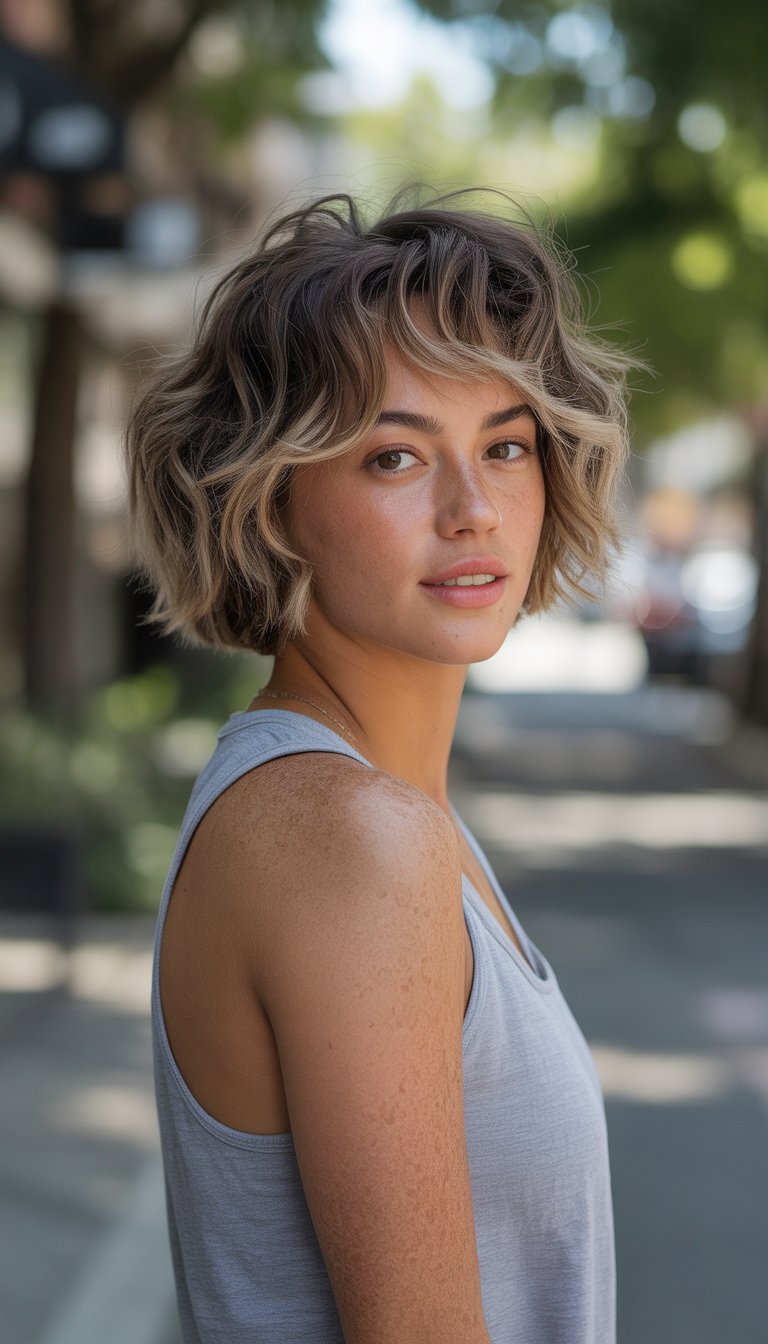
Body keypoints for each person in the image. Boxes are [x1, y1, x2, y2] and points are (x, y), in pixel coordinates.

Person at [125, 190, 630, 1344]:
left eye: (505, 445)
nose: (473, 511)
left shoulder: (364, 802)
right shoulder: (352, 833)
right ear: (271, 498)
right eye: (395, 455)